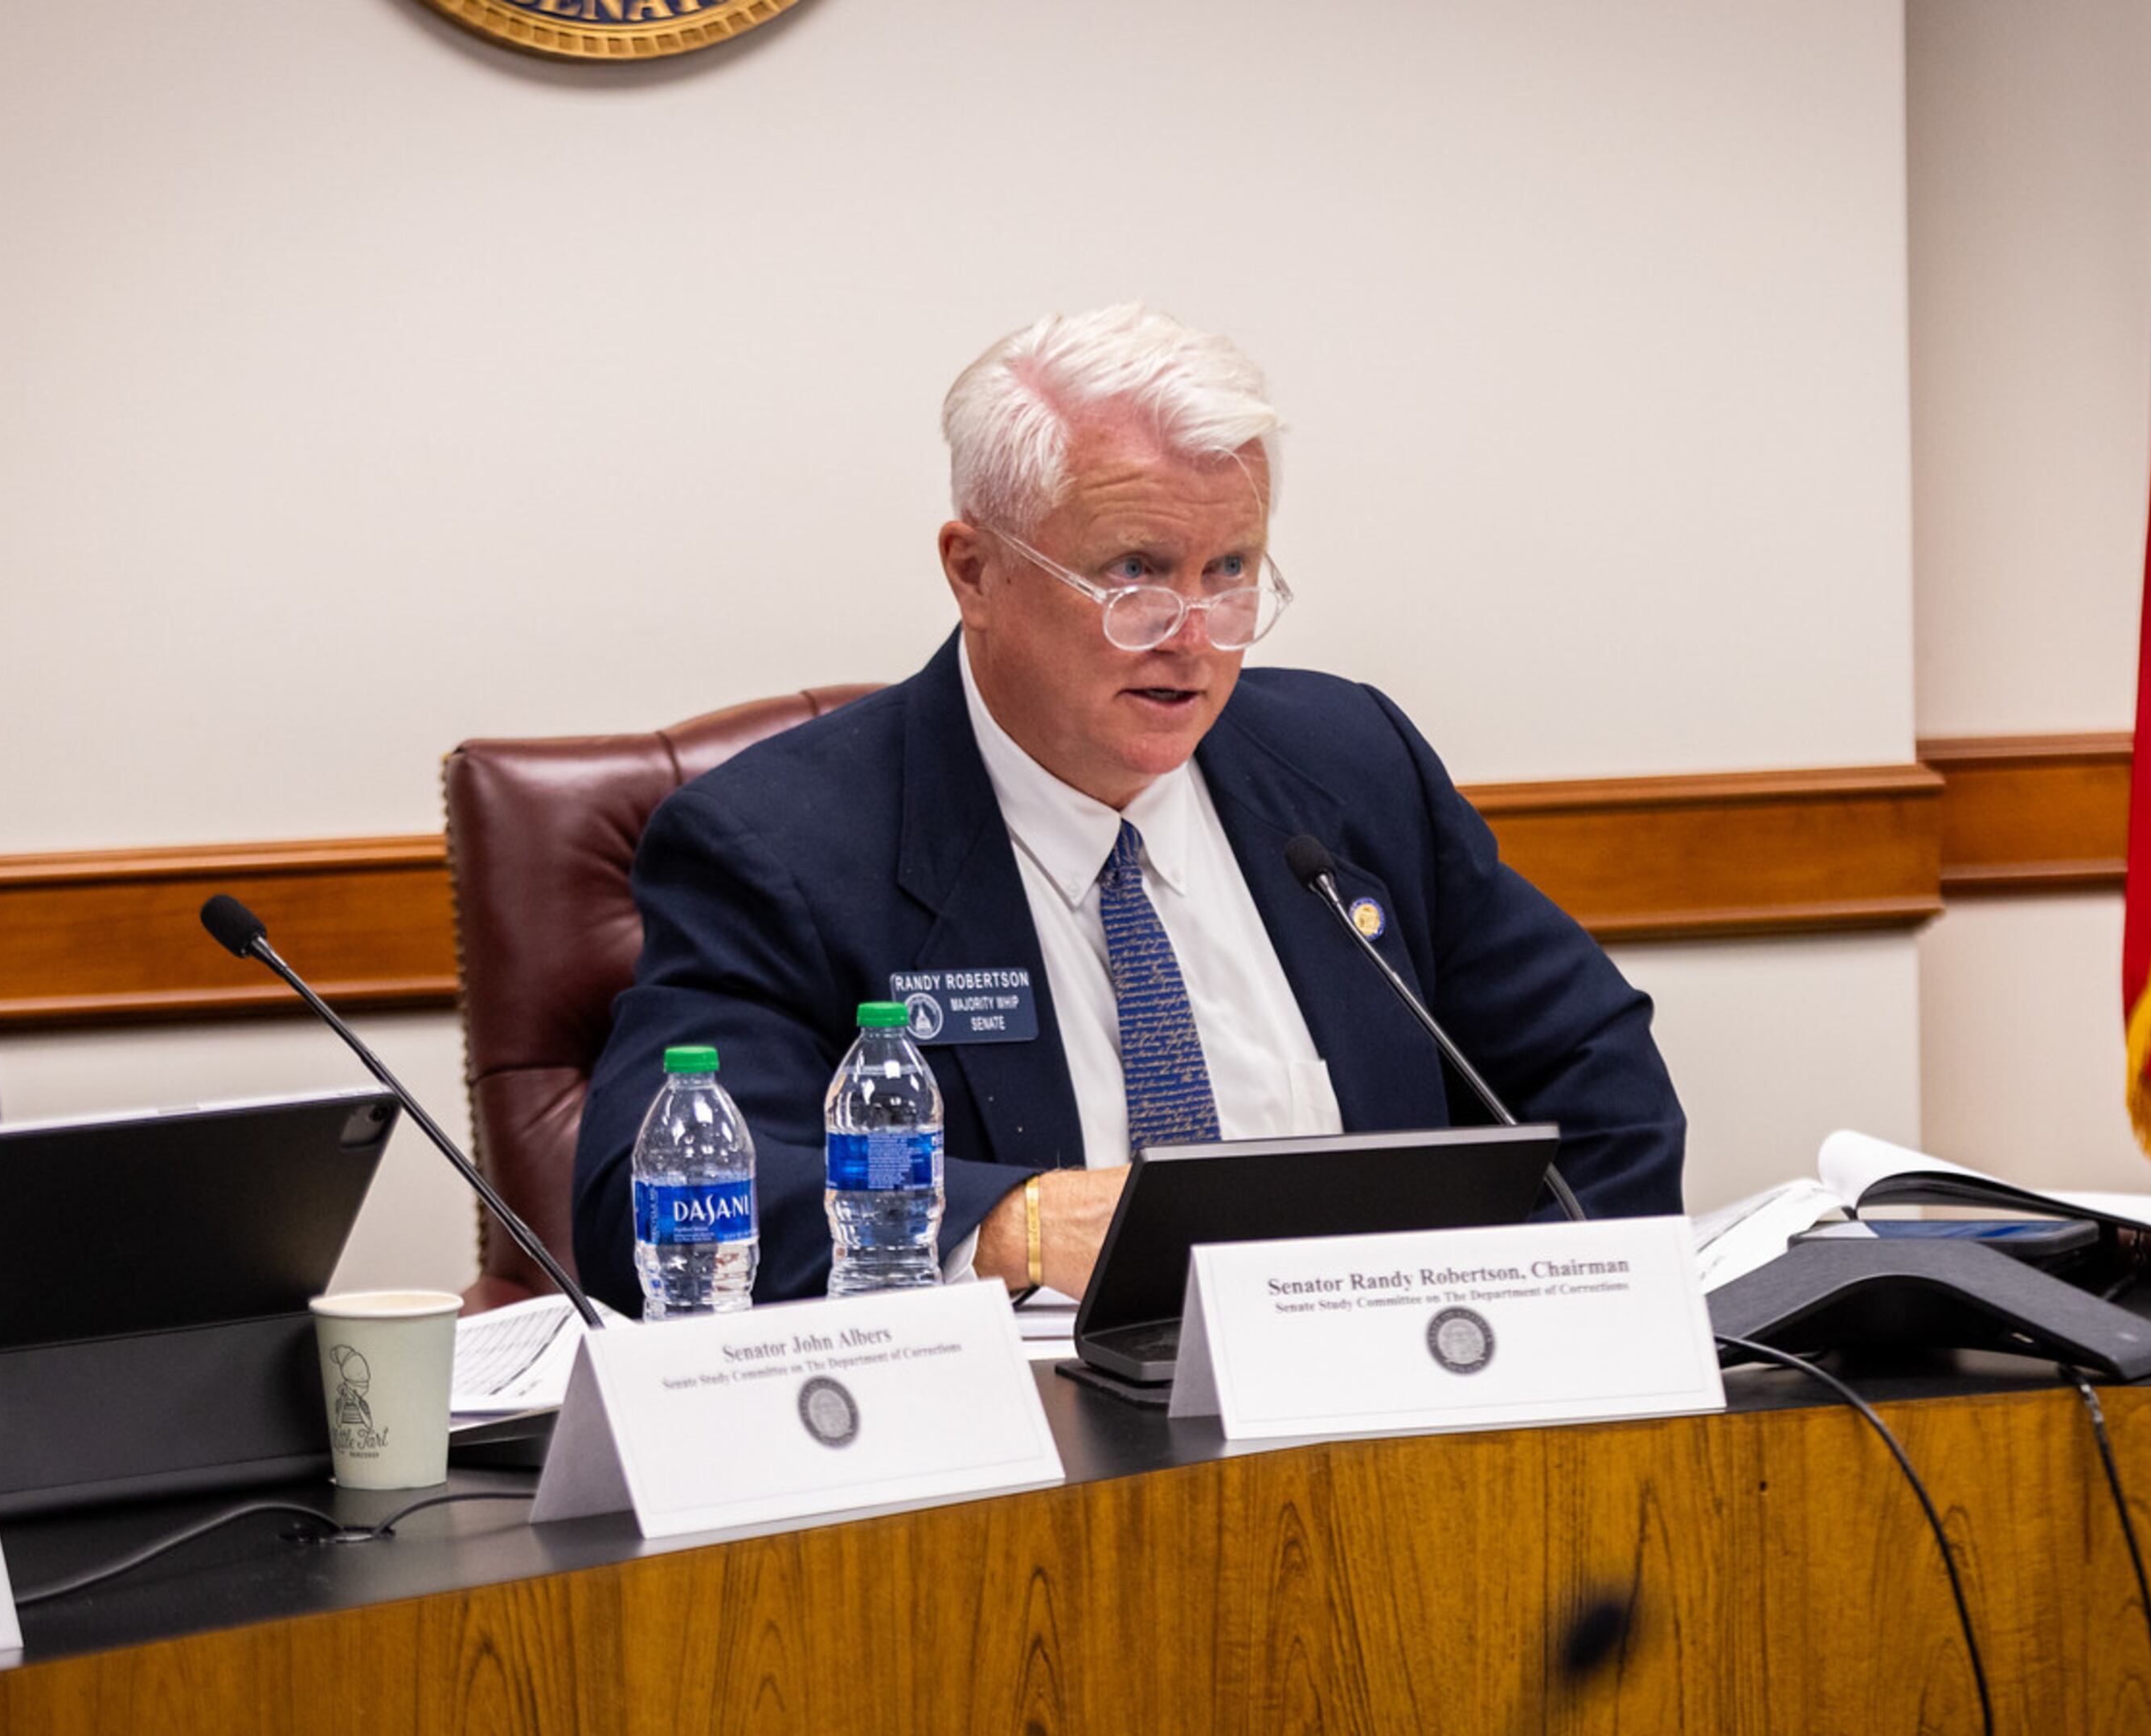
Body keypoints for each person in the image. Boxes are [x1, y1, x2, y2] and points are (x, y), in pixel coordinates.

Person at [573, 306, 1682, 1310]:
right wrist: (1018, 1227)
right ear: (974, 574)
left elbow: (1602, 1086)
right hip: (1024, 1470)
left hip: (1389, 1421)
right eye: (1136, 575)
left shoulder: (1351, 766)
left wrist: (1525, 1324)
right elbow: (648, 1196)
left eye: (1232, 570)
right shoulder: (785, 848)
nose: (1195, 635)